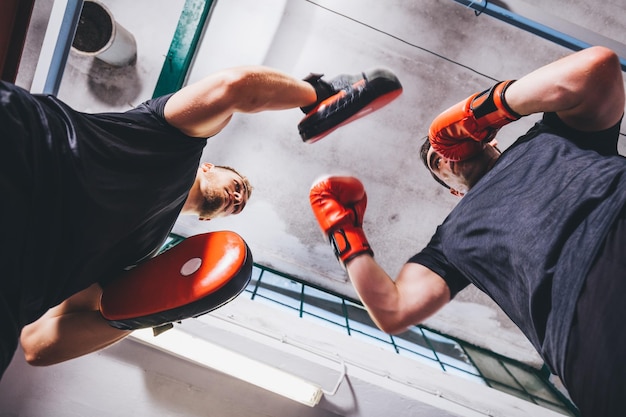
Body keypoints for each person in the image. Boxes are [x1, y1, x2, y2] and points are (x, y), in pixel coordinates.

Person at [0, 65, 401, 378]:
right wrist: (318, 95)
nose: (239, 196)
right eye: (238, 183)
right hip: (20, 148)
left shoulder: (138, 265)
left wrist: (145, 312)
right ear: (208, 167)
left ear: (208, 219)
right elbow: (237, 87)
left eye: (240, 203)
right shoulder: (171, 140)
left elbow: (37, 346)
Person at [309, 46, 625, 417]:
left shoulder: (547, 136)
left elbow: (598, 69)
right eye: (435, 161)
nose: (442, 154)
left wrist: (485, 109)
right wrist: (344, 230)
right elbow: (392, 310)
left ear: (487, 139)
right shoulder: (450, 239)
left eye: (444, 143)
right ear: (454, 190)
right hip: (584, 334)